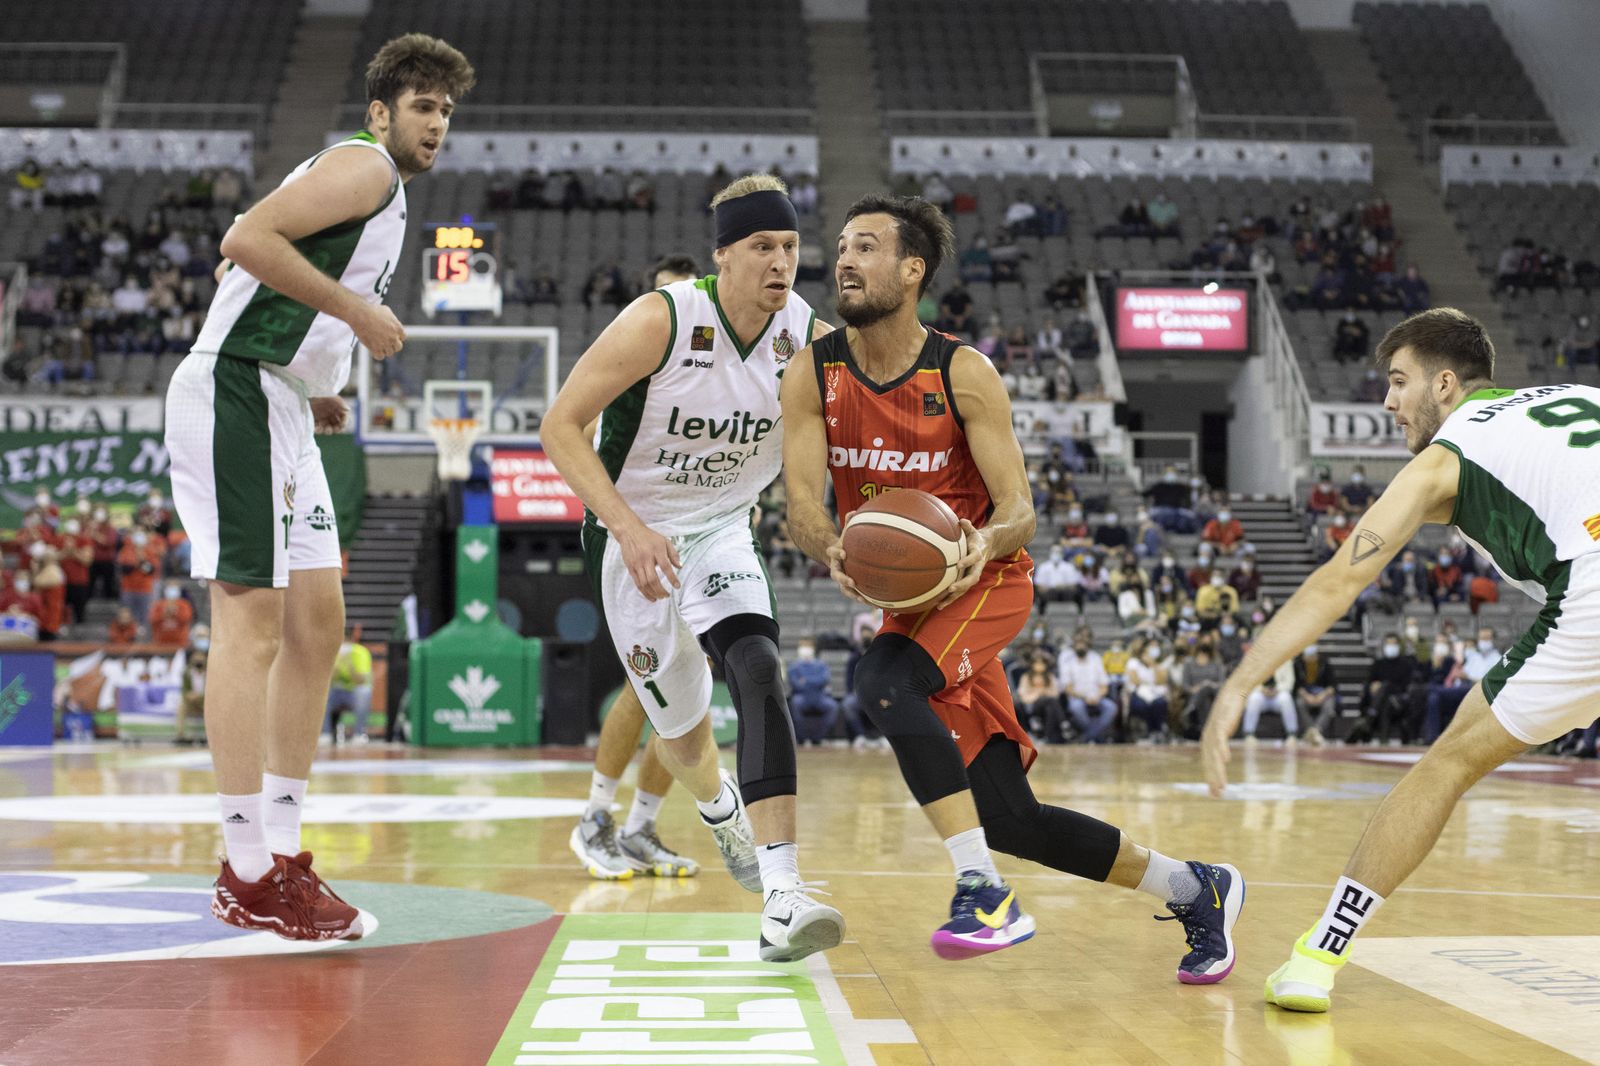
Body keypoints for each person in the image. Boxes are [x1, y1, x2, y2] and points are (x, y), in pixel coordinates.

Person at [783, 193, 1242, 975]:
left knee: (885, 682)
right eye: (842, 248)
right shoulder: (813, 371)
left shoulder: (963, 371)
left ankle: (982, 893)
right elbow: (799, 504)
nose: (845, 261)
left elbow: (1020, 510)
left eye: (866, 247)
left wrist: (976, 543)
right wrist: (832, 550)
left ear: (912, 268)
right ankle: (1198, 887)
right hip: (917, 603)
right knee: (1007, 818)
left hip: (986, 581)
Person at [164, 34, 476, 943]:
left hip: (283, 399)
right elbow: (243, 238)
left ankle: (286, 848)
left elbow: (247, 264)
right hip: (235, 391)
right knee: (252, 618)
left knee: (320, 623)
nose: (437, 125)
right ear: (382, 113)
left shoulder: (377, 188)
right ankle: (243, 866)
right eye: (423, 107)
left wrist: (318, 379)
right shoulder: (366, 165)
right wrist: (355, 314)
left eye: (447, 112)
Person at [1202, 307, 1600, 1014]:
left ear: (1444, 384)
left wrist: (1240, 683)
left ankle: (1317, 955)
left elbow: (1340, 579)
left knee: (1442, 768)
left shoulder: (1447, 455)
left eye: (1398, 382)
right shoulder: (1579, 400)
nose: (1387, 402)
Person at [543, 173, 841, 963]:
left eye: (790, 247)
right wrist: (629, 527)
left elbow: (832, 441)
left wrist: (841, 536)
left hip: (720, 529)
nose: (781, 262)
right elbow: (560, 427)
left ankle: (782, 889)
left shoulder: (808, 334)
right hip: (632, 534)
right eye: (761, 248)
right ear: (723, 257)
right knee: (679, 723)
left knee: (758, 666)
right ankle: (719, 813)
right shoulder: (662, 318)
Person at [568, 254, 704, 883]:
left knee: (686, 688)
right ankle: (596, 818)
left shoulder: (714, 366)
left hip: (696, 532)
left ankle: (642, 826)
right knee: (643, 682)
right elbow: (578, 428)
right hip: (628, 530)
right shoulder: (628, 353)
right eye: (660, 298)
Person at [1057, 633, 1116, 744]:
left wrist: (1097, 696)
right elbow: (1068, 688)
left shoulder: (1096, 659)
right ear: (1074, 646)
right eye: (1078, 644)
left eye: (1083, 644)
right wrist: (1085, 698)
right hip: (1078, 698)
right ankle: (1096, 736)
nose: (1081, 647)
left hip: (1097, 697)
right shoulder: (1068, 662)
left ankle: (1088, 736)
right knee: (1076, 708)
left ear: (1088, 645)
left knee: (1111, 707)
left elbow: (1104, 685)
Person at [322, 624, 374, 745]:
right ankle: (325, 733)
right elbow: (327, 680)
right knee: (323, 692)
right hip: (335, 692)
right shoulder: (331, 651)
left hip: (353, 694)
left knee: (364, 692)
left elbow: (361, 680)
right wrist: (337, 665)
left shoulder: (360, 652)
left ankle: (359, 734)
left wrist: (349, 664)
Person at [788, 638, 839, 745]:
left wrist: (806, 681)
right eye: (803, 646)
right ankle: (801, 738)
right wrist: (814, 681)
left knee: (832, 706)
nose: (806, 649)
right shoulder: (794, 666)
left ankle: (818, 737)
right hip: (801, 696)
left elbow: (824, 680)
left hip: (819, 696)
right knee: (795, 704)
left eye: (808, 646)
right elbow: (795, 684)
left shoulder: (821, 665)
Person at [1294, 646, 1340, 745]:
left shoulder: (1325, 664)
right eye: (1306, 656)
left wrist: (1322, 695)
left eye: (1311, 656)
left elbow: (1333, 686)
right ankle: (1313, 731)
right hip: (1306, 694)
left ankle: (1315, 730)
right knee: (1299, 703)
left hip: (1322, 694)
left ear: (1316, 656)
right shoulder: (1298, 664)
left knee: (1329, 705)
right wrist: (1306, 696)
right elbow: (1296, 686)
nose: (1308, 659)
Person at [1015, 656, 1066, 744]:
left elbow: (1055, 693)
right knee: (1051, 701)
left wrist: (1044, 692)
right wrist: (1038, 694)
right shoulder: (1026, 677)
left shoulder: (1050, 677)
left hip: (1046, 705)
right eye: (1037, 663)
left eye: (1042, 664)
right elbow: (1022, 695)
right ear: (1032, 665)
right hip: (1031, 705)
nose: (1039, 666)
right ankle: (1063, 722)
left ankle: (1046, 736)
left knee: (1050, 707)